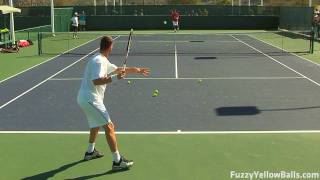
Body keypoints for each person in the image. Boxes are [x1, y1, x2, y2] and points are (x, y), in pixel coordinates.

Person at [77, 36, 150, 171]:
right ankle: (117, 161)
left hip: (85, 98)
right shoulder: (99, 61)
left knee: (96, 125)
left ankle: (90, 152)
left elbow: (118, 69)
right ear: (110, 47)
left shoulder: (102, 59)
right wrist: (116, 78)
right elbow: (96, 80)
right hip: (90, 99)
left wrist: (137, 70)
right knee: (109, 126)